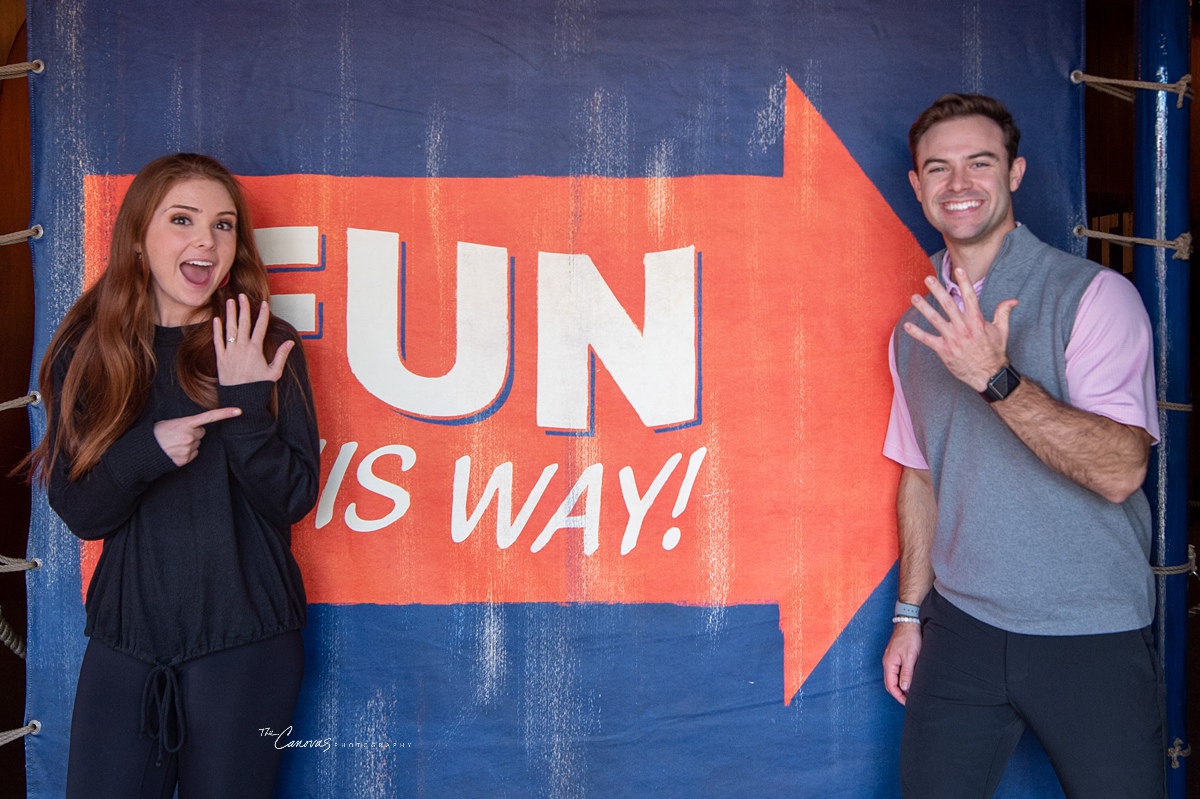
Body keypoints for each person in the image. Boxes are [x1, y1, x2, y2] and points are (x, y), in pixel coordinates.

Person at [879, 94, 1165, 797]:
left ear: (1015, 174)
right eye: (938, 169)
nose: (959, 184)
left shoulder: (1095, 296)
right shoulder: (913, 330)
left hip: (1090, 629)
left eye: (980, 163)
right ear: (916, 187)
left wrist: (995, 378)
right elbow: (920, 475)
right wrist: (909, 615)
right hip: (962, 629)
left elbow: (1122, 469)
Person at [25, 153, 321, 798]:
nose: (205, 240)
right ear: (139, 236)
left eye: (223, 225)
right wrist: (146, 450)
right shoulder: (91, 347)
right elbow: (82, 511)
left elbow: (293, 498)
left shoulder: (267, 344)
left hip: (248, 645)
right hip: (127, 643)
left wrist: (244, 407)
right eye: (182, 219)